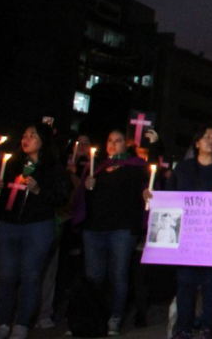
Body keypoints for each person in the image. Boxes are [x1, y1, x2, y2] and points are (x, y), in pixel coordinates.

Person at [158, 124, 212, 339]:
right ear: (197, 143)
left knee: (211, 285)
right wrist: (152, 198)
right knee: (185, 284)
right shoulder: (183, 169)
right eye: (207, 136)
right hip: (187, 239)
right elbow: (169, 197)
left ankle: (208, 328)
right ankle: (183, 328)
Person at [0, 123, 70, 339]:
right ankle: (2, 322)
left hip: (37, 227)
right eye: (24, 135)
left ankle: (22, 323)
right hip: (7, 225)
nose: (26, 139)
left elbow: (61, 198)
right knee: (6, 276)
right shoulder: (11, 164)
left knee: (30, 276)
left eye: (32, 135)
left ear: (43, 141)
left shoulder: (53, 169)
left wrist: (39, 190)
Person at [72, 129, 147, 336]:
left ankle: (115, 316)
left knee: (118, 274)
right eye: (110, 140)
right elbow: (82, 198)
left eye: (118, 141)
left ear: (126, 144)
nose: (113, 144)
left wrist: (146, 193)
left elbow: (148, 187)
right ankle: (93, 317)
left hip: (122, 229)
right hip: (94, 228)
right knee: (93, 276)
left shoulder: (136, 166)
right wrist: (87, 187)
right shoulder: (97, 167)